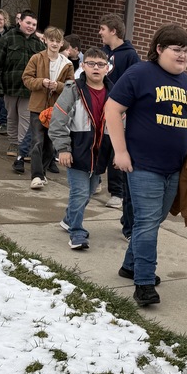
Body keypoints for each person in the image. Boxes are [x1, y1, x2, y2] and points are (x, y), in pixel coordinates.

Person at [104, 23, 187, 307]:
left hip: (176, 168)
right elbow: (111, 110)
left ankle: (129, 266)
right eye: (177, 49)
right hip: (143, 165)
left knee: (154, 220)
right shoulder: (140, 73)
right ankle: (144, 283)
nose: (183, 55)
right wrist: (120, 151)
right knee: (148, 223)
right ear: (159, 49)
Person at [49, 47, 114, 250]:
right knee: (79, 193)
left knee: (88, 192)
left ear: (107, 68)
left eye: (101, 64)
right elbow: (57, 120)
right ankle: (76, 232)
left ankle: (68, 219)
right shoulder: (73, 90)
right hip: (77, 152)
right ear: (83, 66)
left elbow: (121, 124)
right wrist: (63, 149)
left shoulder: (115, 94)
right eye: (91, 63)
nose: (96, 68)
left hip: (100, 154)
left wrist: (118, 152)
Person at [22, 28, 75, 190]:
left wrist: (57, 86)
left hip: (57, 110)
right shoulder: (36, 59)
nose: (54, 43)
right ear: (45, 40)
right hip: (37, 107)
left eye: (57, 41)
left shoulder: (67, 64)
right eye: (51, 40)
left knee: (51, 145)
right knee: (37, 140)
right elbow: (26, 79)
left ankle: (42, 172)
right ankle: (36, 176)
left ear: (61, 44)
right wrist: (41, 82)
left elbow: (71, 86)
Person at [0, 10, 45, 167]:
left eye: (34, 24)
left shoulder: (38, 44)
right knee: (11, 116)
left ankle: (23, 147)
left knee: (26, 117)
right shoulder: (7, 38)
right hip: (10, 86)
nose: (30, 26)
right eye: (28, 23)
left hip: (29, 89)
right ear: (20, 21)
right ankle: (13, 143)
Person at [99, 13, 140, 211]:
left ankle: (117, 193)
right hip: (101, 107)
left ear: (113, 31)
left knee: (116, 148)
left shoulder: (130, 55)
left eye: (103, 29)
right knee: (100, 145)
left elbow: (136, 83)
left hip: (120, 111)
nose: (100, 33)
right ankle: (96, 179)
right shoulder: (103, 52)